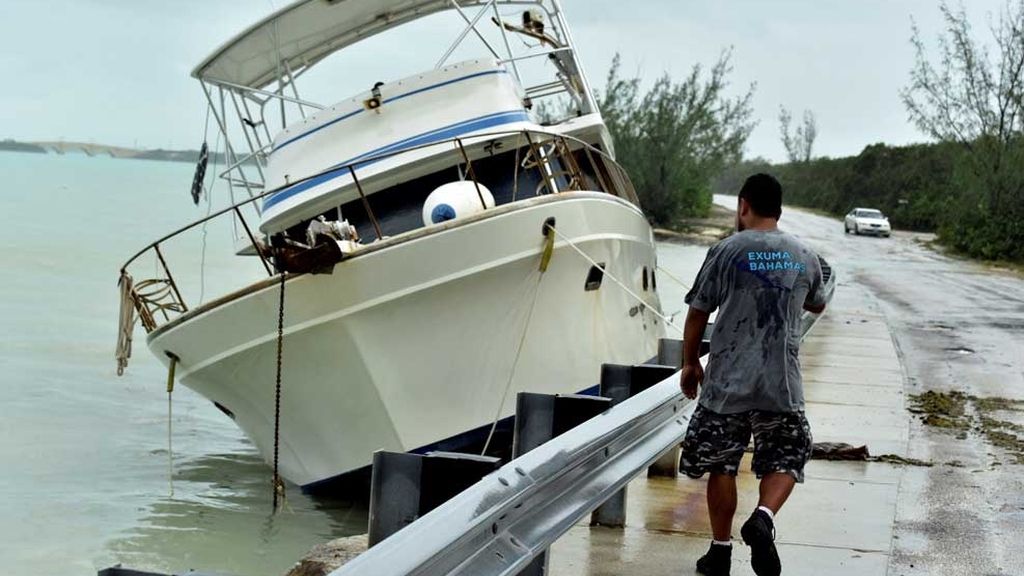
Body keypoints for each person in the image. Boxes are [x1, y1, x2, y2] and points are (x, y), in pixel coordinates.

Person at [678, 173, 827, 576]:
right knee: (788, 454)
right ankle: (763, 516)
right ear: (779, 209)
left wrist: (691, 364)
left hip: (727, 382)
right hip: (781, 382)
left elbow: (698, 312)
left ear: (743, 205)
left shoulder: (726, 251)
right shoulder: (803, 254)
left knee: (722, 464)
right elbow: (817, 304)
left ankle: (720, 551)